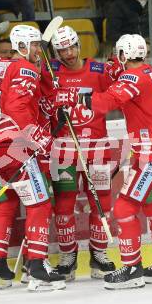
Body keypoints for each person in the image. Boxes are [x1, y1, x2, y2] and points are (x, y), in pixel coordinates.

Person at [53, 34, 152, 289]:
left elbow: (105, 101)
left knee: (124, 208)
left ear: (124, 55)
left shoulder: (132, 77)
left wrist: (73, 99)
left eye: (118, 55)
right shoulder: (150, 71)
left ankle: (132, 269)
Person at [0, 24, 65, 291]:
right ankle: (36, 267)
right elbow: (18, 108)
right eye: (35, 45)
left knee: (5, 201)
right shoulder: (24, 68)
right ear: (22, 46)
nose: (38, 50)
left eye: (39, 44)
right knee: (40, 203)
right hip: (15, 145)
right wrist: (38, 137)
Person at [40, 26, 118, 281]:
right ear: (56, 52)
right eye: (62, 50)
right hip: (63, 148)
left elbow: (118, 93)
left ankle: (99, 254)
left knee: (101, 201)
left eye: (72, 47)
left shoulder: (98, 70)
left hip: (96, 147)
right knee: (63, 205)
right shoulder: (51, 72)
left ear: (79, 45)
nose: (69, 54)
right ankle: (68, 257)